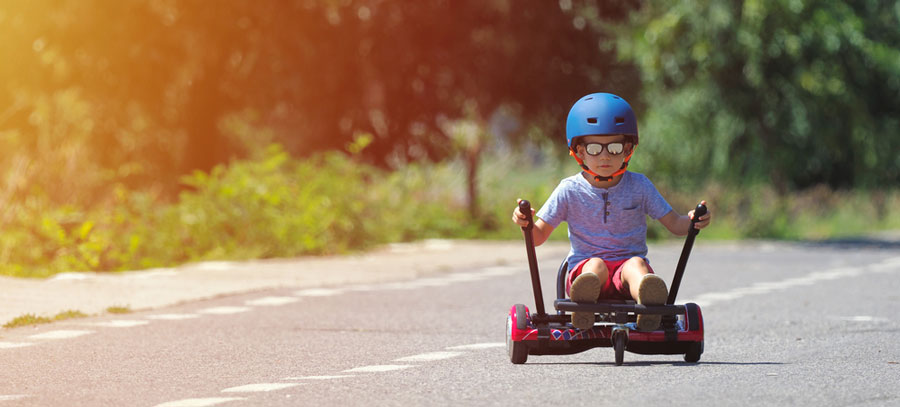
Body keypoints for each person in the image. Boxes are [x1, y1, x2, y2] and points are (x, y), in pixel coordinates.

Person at [511, 92, 712, 331]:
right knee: (595, 265)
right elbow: (537, 237)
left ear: (628, 149)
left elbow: (676, 225)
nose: (605, 156)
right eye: (595, 148)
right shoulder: (569, 190)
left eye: (614, 147)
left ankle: (648, 305)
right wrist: (526, 223)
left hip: (625, 273)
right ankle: (583, 306)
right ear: (579, 151)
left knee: (637, 264)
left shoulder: (640, 186)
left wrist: (692, 220)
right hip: (585, 268)